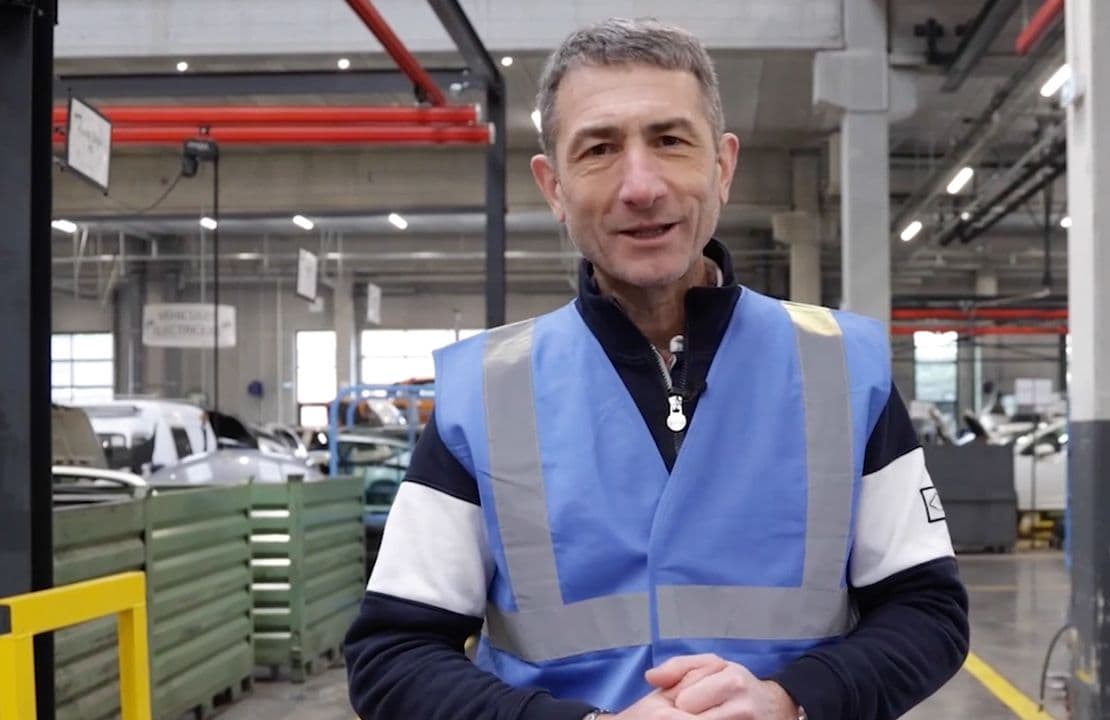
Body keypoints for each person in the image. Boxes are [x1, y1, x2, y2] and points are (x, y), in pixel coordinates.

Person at [345, 17, 968, 720]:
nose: (640, 185)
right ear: (553, 187)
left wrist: (790, 700)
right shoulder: (484, 396)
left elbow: (927, 609)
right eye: (600, 149)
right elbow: (392, 657)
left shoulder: (842, 372)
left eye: (670, 141)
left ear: (722, 166)